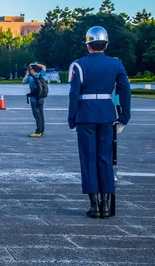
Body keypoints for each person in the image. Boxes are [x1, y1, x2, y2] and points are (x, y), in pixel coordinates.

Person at [68, 26, 131, 219]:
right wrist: (124, 117)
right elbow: (125, 90)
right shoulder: (116, 64)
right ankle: (105, 203)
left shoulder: (78, 65)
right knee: (105, 158)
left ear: (88, 46)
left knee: (88, 159)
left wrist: (72, 118)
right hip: (106, 114)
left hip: (85, 115)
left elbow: (74, 95)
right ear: (105, 45)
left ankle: (94, 204)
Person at [23, 63, 47, 137]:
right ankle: (41, 130)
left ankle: (38, 131)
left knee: (37, 115)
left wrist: (27, 73)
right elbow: (44, 66)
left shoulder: (30, 78)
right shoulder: (41, 75)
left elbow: (23, 81)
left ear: (32, 70)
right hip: (41, 98)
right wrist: (35, 64)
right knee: (41, 114)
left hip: (34, 99)